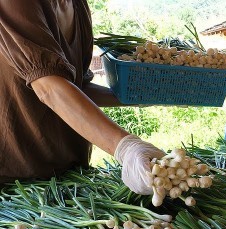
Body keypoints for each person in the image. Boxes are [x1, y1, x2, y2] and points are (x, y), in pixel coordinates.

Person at [0, 0, 164, 195]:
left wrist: (147, 96)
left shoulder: (77, 6)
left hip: (69, 176)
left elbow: (78, 87)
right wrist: (125, 147)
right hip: (17, 183)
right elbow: (49, 86)